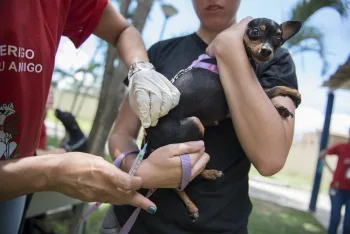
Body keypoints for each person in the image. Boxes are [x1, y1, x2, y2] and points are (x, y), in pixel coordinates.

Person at [0, 1, 210, 233]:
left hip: (17, 181)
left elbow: (122, 30)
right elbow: (120, 133)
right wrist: (50, 172)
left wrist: (141, 69)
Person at [104, 0, 301, 233]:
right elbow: (121, 133)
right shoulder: (158, 52)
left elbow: (272, 159)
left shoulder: (274, 60)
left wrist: (229, 48)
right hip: (134, 220)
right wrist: (137, 171)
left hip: (219, 224)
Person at [320, 131, 350, 234]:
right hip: (337, 190)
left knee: (348, 225)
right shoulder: (342, 147)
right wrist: (332, 171)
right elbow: (322, 154)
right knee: (335, 219)